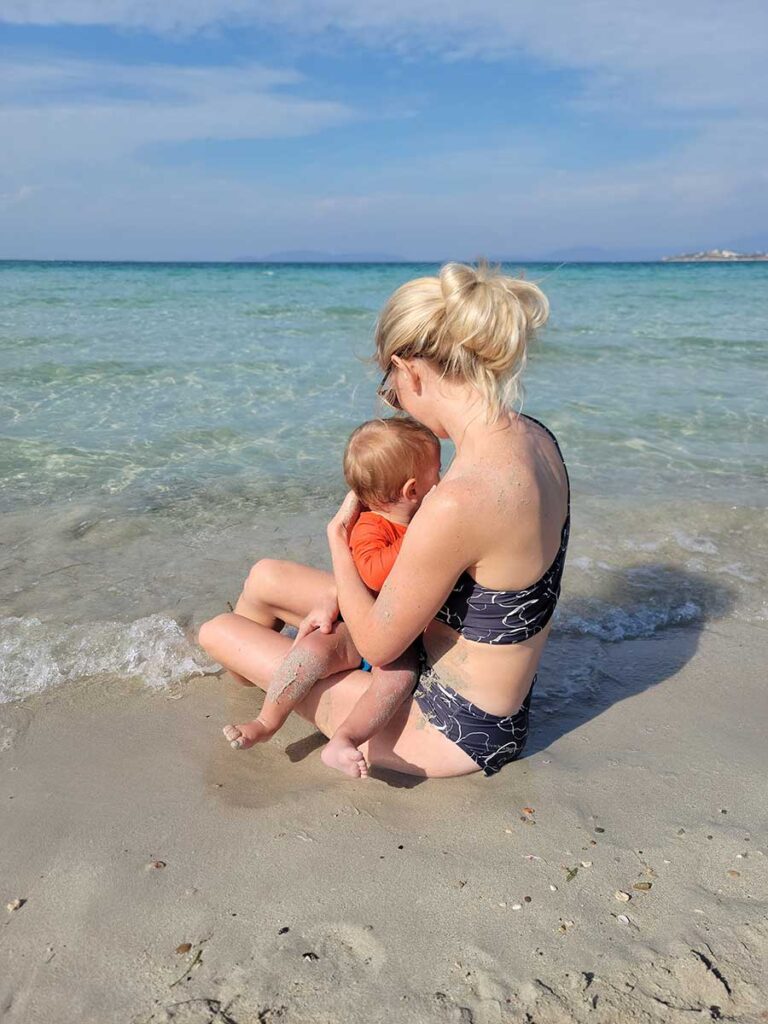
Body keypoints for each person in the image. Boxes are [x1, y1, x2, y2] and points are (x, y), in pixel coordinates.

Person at [198, 260, 570, 779]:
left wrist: (336, 540)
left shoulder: (460, 499)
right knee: (266, 577)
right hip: (475, 685)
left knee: (218, 630)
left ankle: (259, 694)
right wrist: (337, 598)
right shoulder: (535, 438)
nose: (396, 399)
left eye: (391, 383)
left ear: (410, 367)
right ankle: (260, 681)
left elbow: (377, 644)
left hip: (446, 729)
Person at [221, 417, 441, 778]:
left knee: (397, 680)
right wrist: (421, 531)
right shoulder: (371, 524)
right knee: (311, 651)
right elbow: (372, 572)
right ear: (413, 490)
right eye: (438, 471)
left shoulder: (415, 520)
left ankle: (344, 739)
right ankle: (266, 721)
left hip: (403, 643)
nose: (443, 478)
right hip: (359, 626)